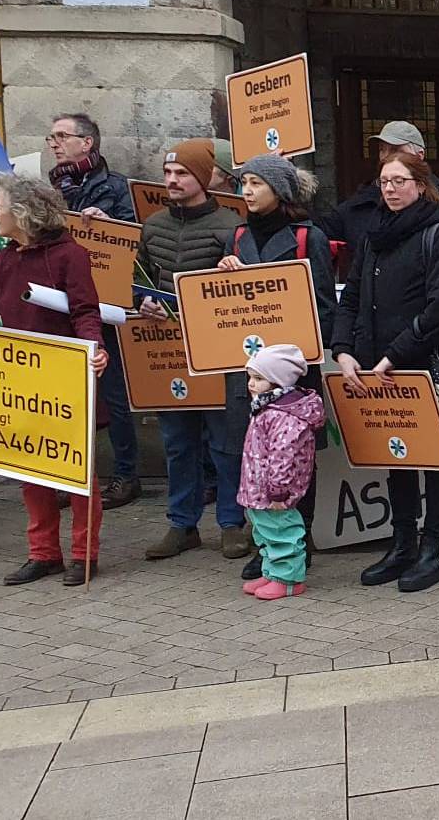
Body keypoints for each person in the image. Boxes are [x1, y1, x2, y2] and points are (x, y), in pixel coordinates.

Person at [0, 176, 109, 585]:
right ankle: (43, 553)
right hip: (21, 381)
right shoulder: (4, 259)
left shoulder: (69, 255)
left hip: (64, 378)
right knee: (31, 468)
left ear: (21, 211)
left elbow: (85, 310)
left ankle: (83, 554)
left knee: (76, 471)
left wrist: (93, 348)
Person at [333, 152, 439, 593]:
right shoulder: (373, 236)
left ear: (420, 183)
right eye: (384, 181)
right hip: (376, 367)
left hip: (420, 363)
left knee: (434, 457)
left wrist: (395, 353)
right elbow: (351, 298)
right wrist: (344, 349)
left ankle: (433, 547)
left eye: (399, 181)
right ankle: (402, 542)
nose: (389, 189)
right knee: (398, 455)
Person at [219, 154, 339, 582]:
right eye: (244, 183)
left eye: (255, 183)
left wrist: (295, 361)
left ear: (280, 190)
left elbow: (325, 308)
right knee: (255, 457)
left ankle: (297, 543)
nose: (246, 191)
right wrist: (226, 276)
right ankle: (266, 544)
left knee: (294, 459)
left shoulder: (310, 239)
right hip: (249, 370)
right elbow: (220, 309)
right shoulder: (234, 238)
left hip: (294, 374)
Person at [136, 139, 249, 561]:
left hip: (216, 352)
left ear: (202, 177)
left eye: (181, 173)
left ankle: (231, 523)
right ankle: (181, 524)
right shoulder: (153, 226)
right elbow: (140, 278)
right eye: (167, 173)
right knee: (178, 442)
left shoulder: (231, 226)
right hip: (168, 353)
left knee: (224, 441)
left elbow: (243, 295)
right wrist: (142, 301)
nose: (171, 181)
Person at [49, 113, 141, 510]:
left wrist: (110, 224)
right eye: (51, 137)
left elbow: (138, 238)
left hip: (103, 304)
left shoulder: (116, 187)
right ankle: (70, 475)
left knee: (114, 391)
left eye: (61, 136)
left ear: (87, 143)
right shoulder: (52, 190)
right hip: (58, 300)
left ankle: (125, 473)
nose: (54, 143)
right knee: (64, 392)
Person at [237, 344, 326, 602]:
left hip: (274, 492)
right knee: (265, 532)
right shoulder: (267, 407)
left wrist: (278, 491)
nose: (251, 384)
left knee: (283, 534)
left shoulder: (284, 416)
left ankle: (288, 579)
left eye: (258, 379)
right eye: (250, 378)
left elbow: (282, 457)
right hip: (259, 488)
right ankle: (272, 572)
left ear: (278, 381)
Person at [317, 121, 439, 253]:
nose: (386, 156)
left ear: (419, 156)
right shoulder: (361, 206)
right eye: (382, 149)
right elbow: (321, 232)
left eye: (395, 150)